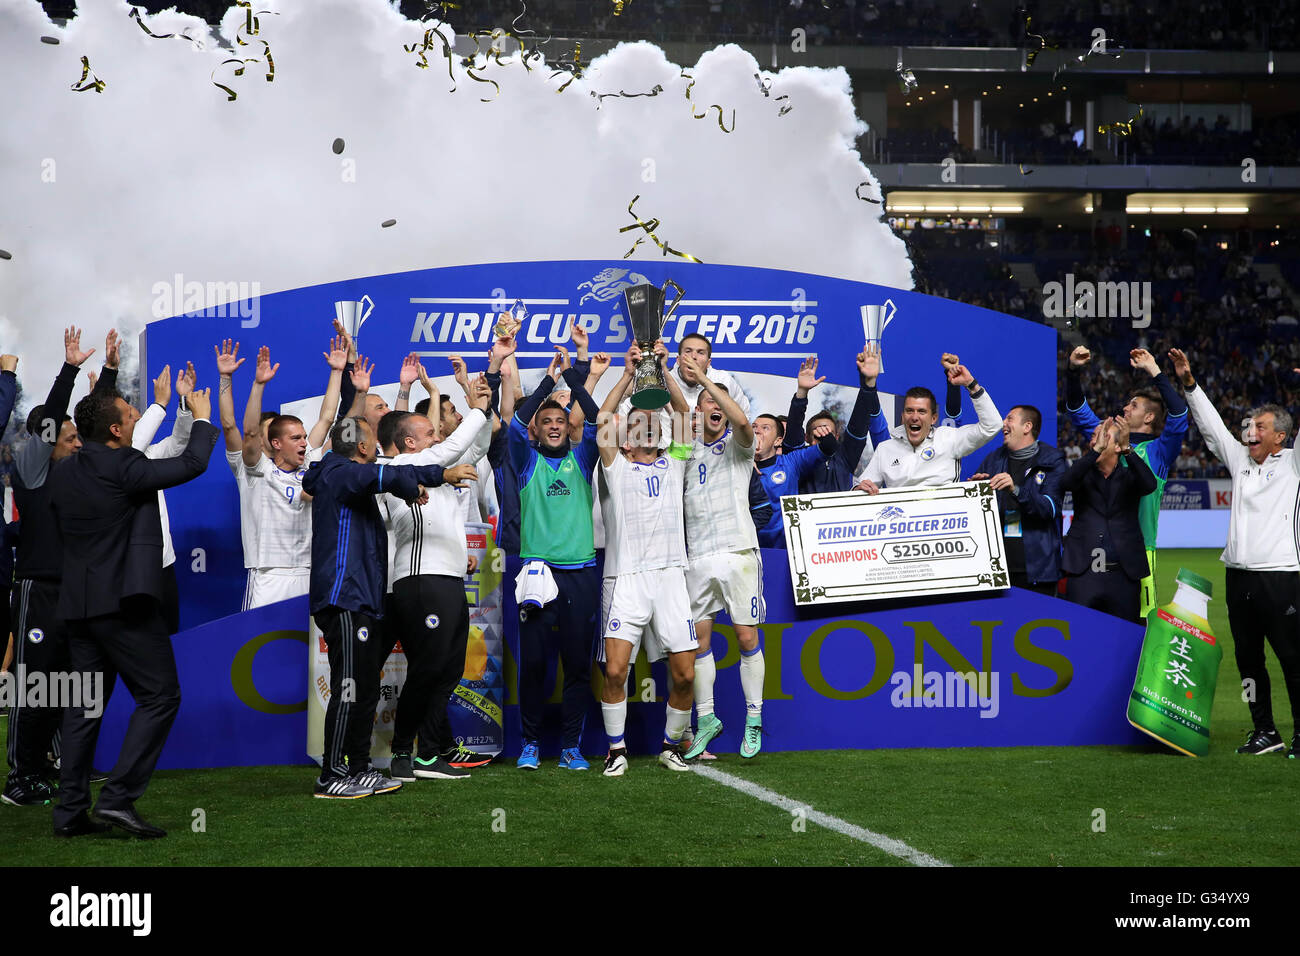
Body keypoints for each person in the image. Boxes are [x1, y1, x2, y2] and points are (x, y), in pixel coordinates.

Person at [48, 385, 220, 839]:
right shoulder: (126, 466)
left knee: (83, 709)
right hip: (124, 605)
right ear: (116, 429)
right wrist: (200, 418)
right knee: (161, 696)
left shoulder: (63, 471)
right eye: (129, 413)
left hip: (80, 608)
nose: (134, 415)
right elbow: (193, 463)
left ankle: (68, 814)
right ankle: (118, 799)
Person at [303, 416, 474, 798]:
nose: (379, 450)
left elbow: (384, 478)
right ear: (363, 448)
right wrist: (436, 476)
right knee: (350, 687)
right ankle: (332, 774)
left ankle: (360, 768)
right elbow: (384, 476)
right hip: (343, 596)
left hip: (363, 597)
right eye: (373, 445)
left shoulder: (345, 475)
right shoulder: (338, 472)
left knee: (363, 686)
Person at [1172, 348, 1300, 758]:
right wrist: (1190, 385)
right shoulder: (1241, 462)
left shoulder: (1294, 465)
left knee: (1292, 660)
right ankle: (1265, 731)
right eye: (1249, 425)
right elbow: (1211, 427)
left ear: (1280, 436)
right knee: (1248, 661)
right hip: (1239, 577)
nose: (1250, 431)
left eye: (1259, 426)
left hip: (1281, 576)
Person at [379, 378, 493, 781]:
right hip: (418, 582)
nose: (437, 434)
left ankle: (428, 755)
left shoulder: (437, 472)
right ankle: (402, 753)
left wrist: (487, 389)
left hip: (446, 582)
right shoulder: (397, 469)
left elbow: (474, 446)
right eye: (429, 432)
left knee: (446, 671)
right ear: (410, 442)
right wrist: (476, 408)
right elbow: (453, 447)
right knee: (427, 669)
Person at [595, 341, 697, 776]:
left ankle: (671, 746)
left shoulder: (675, 464)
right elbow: (602, 419)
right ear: (627, 434)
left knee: (685, 675)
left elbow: (686, 416)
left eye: (653, 422)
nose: (648, 426)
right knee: (616, 671)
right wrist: (626, 374)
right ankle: (616, 751)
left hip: (671, 577)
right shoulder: (615, 467)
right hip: (627, 578)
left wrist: (664, 370)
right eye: (638, 423)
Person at [506, 338, 603, 771]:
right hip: (537, 575)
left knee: (577, 665)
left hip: (580, 574)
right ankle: (530, 744)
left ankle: (569, 747)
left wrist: (572, 381)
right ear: (537, 429)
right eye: (545, 421)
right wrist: (548, 379)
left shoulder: (583, 459)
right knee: (534, 665)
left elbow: (601, 422)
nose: (553, 425)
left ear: (568, 427)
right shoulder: (525, 462)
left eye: (560, 420)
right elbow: (512, 426)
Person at [678, 354, 766, 760]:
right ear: (696, 413)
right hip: (697, 556)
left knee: (747, 638)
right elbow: (677, 409)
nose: (714, 409)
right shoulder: (685, 450)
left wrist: (710, 386)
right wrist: (665, 367)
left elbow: (745, 423)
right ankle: (707, 718)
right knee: (698, 642)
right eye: (707, 405)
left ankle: (753, 718)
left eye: (721, 405)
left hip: (738, 553)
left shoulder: (739, 447)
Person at [1066, 345, 1189, 619]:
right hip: (1097, 547)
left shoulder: (1158, 451)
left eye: (1133, 405)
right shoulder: (1106, 435)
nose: (1124, 407)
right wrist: (1073, 371)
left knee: (1138, 625)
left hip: (1139, 550)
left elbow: (1179, 414)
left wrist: (1155, 370)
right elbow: (1076, 407)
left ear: (1149, 417)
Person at [1058, 415, 1156, 623]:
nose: (1096, 441)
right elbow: (1065, 482)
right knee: (1078, 635)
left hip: (1123, 575)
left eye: (1103, 437)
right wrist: (1095, 452)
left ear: (1119, 447)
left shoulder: (1131, 476)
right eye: (1094, 436)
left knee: (1123, 640)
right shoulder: (1082, 472)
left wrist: (1129, 449)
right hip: (1084, 573)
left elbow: (1150, 485)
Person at [857, 358, 1001, 492]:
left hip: (945, 516)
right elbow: (860, 488)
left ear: (933, 418)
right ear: (902, 416)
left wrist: (971, 384)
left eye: (921, 411)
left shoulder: (948, 438)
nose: (914, 417)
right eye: (909, 411)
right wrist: (859, 489)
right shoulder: (885, 449)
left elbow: (992, 425)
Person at [970, 405, 1066, 595]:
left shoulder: (1053, 460)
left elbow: (1050, 508)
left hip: (1037, 570)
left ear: (1027, 426)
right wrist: (977, 491)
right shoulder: (993, 459)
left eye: (1009, 419)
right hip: (998, 570)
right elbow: (978, 516)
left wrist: (1016, 489)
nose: (1003, 424)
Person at [781, 350, 878, 495]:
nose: (824, 435)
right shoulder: (797, 461)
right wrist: (801, 393)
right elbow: (793, 431)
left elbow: (859, 423)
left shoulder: (845, 458)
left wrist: (868, 385)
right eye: (818, 432)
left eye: (829, 433)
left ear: (837, 437)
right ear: (807, 438)